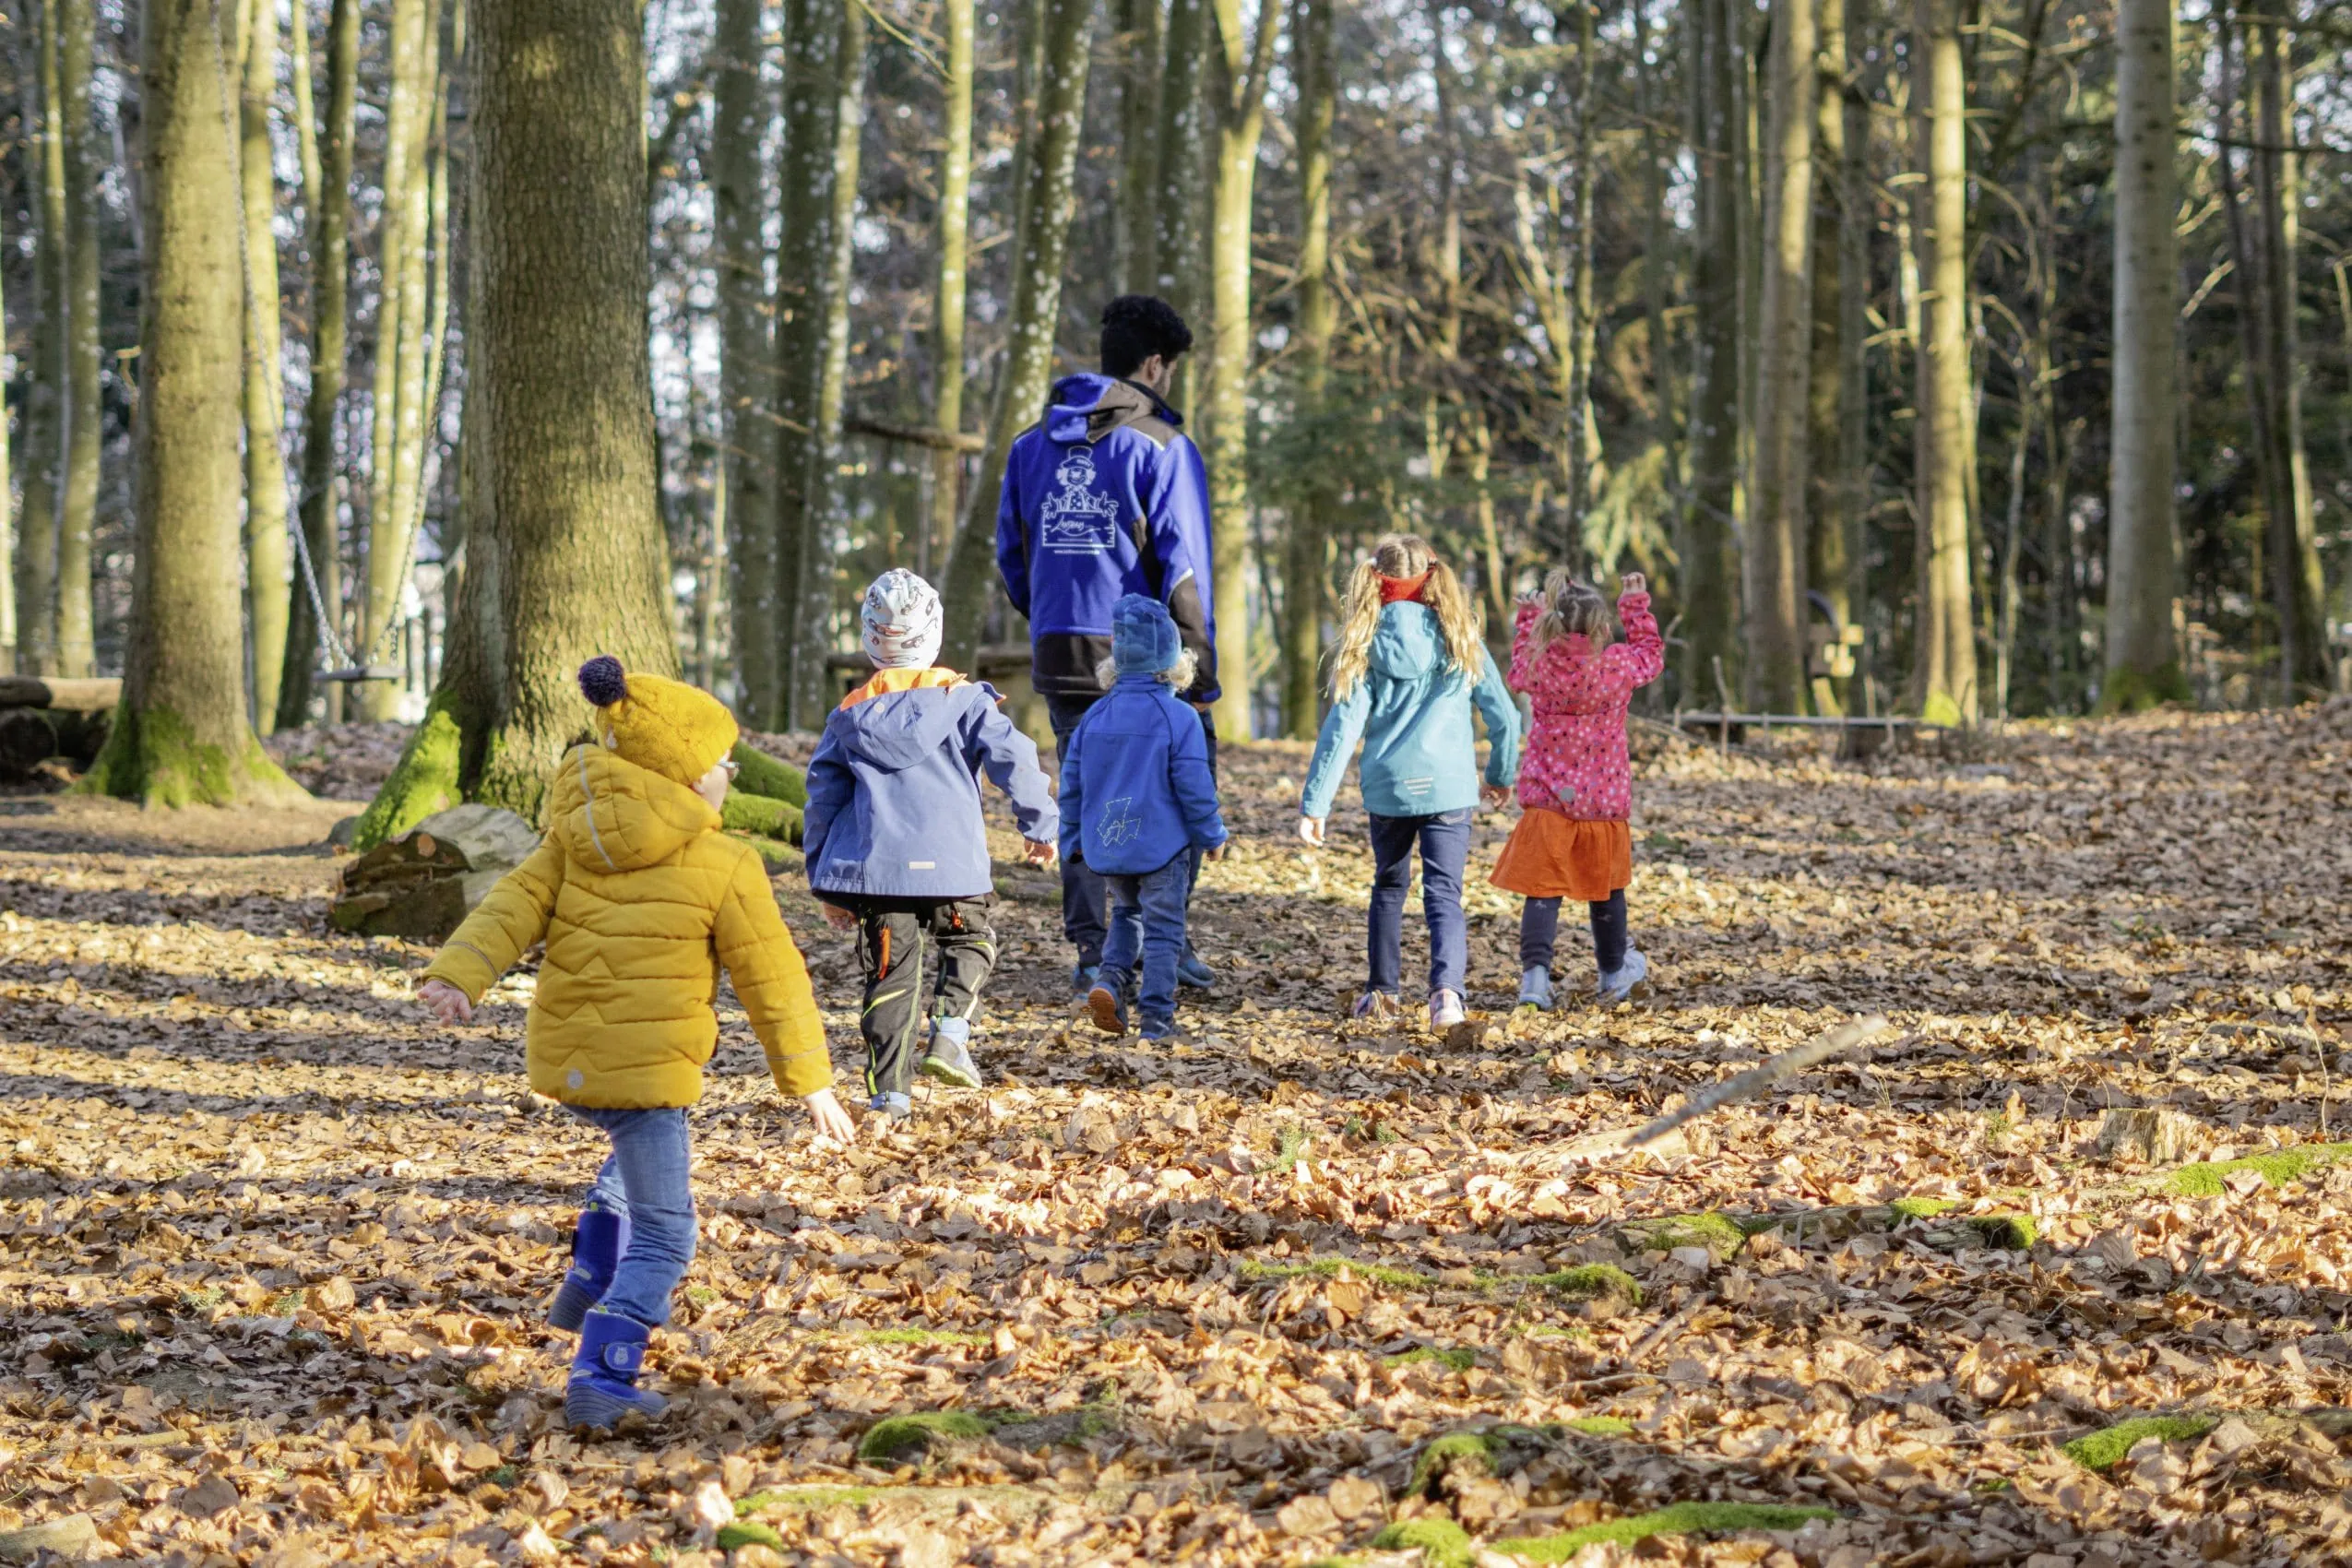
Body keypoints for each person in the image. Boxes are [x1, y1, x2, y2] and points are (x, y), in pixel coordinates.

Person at [415, 657, 853, 1432]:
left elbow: (508, 909)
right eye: (722, 764)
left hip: (572, 1055)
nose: (728, 776)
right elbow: (772, 980)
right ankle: (605, 1371)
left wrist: (460, 975)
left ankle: (587, 1276)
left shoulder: (566, 839)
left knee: (632, 1149)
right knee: (667, 1228)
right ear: (687, 775)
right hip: (647, 1071)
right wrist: (810, 1081)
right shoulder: (725, 862)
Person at [996, 294, 1218, 1000]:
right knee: (1183, 793)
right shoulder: (1161, 446)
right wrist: (1198, 671)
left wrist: (1051, 616)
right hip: (1148, 662)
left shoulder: (1029, 446)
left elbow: (1012, 555)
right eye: (1172, 370)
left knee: (1087, 794)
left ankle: (1095, 952)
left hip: (1061, 652)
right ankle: (1162, 943)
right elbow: (1184, 567)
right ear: (1155, 364)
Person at [803, 570, 1059, 1119]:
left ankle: (889, 1097)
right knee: (972, 942)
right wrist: (1040, 823)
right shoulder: (964, 701)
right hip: (954, 870)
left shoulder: (848, 716)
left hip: (881, 873)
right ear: (934, 632)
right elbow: (1013, 757)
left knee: (889, 980)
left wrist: (826, 882)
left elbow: (822, 798)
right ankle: (950, 1033)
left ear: (872, 639)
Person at [1300, 536, 1522, 1031]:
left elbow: (1342, 729)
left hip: (1390, 789)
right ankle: (1447, 997)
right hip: (1449, 788)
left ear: (1375, 581)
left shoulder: (1365, 640)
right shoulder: (1460, 636)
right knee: (1444, 893)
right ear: (1431, 578)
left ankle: (1382, 994)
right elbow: (1504, 716)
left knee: (1388, 888)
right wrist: (1500, 775)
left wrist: (1316, 804)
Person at [1060, 596, 1230, 1042]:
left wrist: (1071, 838)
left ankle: (1110, 981)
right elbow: (1195, 787)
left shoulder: (1094, 716)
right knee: (1163, 932)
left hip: (1110, 847)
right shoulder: (1179, 718)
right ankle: (1156, 1019)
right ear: (1174, 661)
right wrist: (1212, 834)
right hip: (1163, 849)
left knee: (1126, 915)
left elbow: (1072, 784)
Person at [1492, 570, 1665, 1007]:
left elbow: (1517, 668)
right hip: (1602, 803)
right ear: (1603, 629)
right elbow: (1652, 654)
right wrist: (1635, 604)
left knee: (1543, 891)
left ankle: (1534, 978)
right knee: (1606, 890)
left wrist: (1527, 619)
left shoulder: (1539, 665)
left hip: (1549, 797)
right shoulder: (1618, 664)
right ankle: (1612, 972)